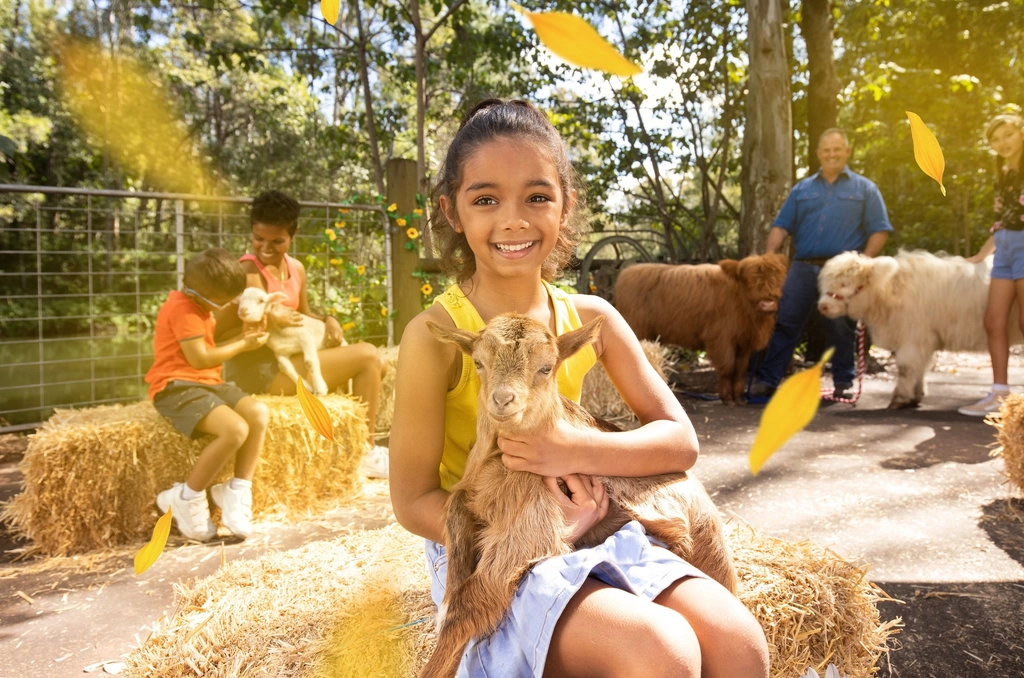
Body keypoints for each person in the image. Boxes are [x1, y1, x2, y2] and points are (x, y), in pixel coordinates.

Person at [389, 99, 769, 677]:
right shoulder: (437, 333)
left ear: (566, 206)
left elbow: (679, 442)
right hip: (491, 549)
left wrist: (572, 452)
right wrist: (531, 531)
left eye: (537, 197)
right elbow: (413, 501)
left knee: (739, 644)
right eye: (486, 199)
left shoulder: (591, 317)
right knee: (662, 651)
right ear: (451, 211)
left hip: (598, 523)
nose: (513, 220)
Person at [217, 190, 389, 478]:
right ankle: (365, 451)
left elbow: (305, 314)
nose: (265, 248)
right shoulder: (247, 269)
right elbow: (224, 333)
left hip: (294, 355)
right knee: (369, 356)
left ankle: (348, 445)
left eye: (277, 241)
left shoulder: (296, 268)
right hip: (259, 369)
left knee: (379, 365)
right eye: (258, 238)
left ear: (292, 236)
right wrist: (270, 320)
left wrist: (329, 318)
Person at [750, 128, 893, 400]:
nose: (832, 155)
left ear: (847, 152)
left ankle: (844, 381)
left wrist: (864, 262)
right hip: (803, 267)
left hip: (841, 271)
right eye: (826, 150)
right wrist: (769, 256)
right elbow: (781, 227)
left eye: (837, 149)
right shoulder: (802, 189)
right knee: (786, 320)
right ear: (818, 154)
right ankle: (767, 380)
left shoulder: (865, 189)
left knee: (840, 325)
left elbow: (880, 230)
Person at [146, 248, 270, 541]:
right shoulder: (182, 310)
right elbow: (200, 358)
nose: (231, 304)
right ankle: (186, 497)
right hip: (176, 385)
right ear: (207, 297)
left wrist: (247, 335)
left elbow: (209, 356)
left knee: (258, 413)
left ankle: (237, 489)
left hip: (209, 382)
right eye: (228, 300)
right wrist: (244, 345)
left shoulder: (199, 306)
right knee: (235, 430)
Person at [959, 113, 1024, 416]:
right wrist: (978, 257)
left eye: (1008, 135)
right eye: (996, 140)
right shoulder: (1002, 171)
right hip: (1006, 251)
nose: (1003, 144)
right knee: (993, 321)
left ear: (1021, 132)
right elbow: (1001, 222)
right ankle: (999, 394)